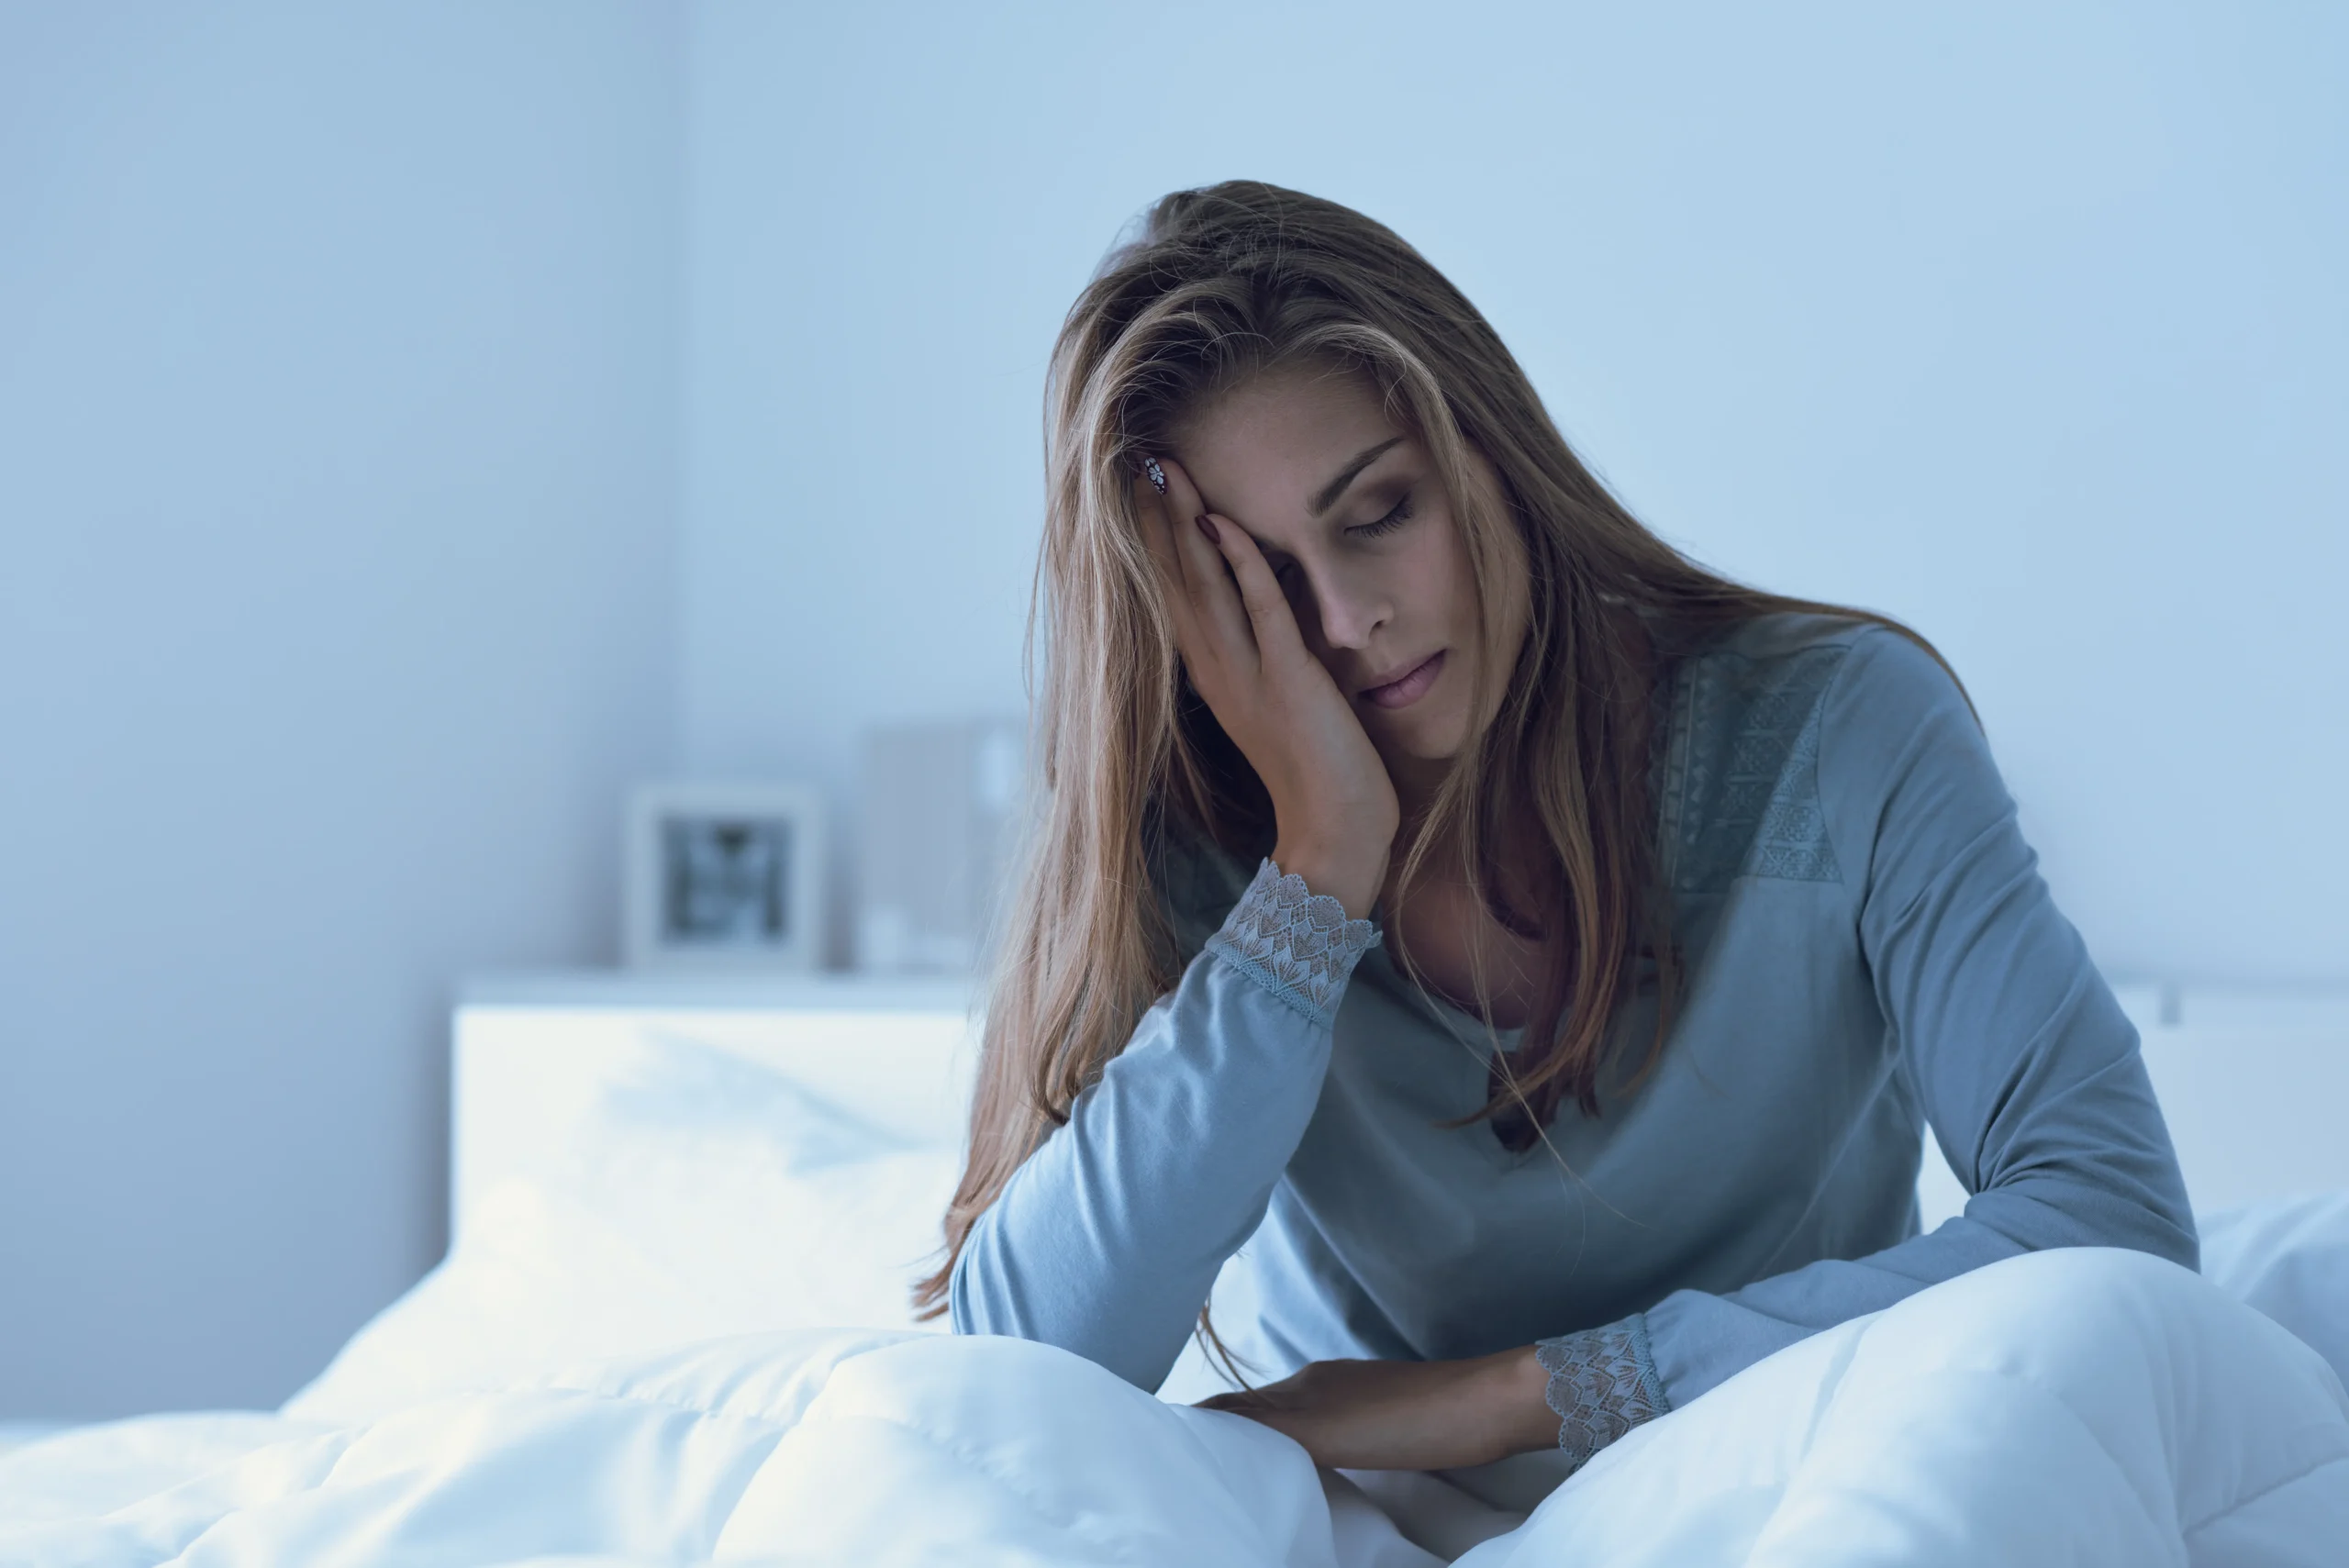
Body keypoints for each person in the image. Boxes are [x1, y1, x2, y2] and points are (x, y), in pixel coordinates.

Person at [918, 180, 2196, 1490]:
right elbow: (1019, 1371)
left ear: (1490, 452)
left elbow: (2118, 1231)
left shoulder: (1837, 728)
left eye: (1381, 514)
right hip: (1370, 1527)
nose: (1348, 619)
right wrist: (1314, 880)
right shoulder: (1208, 850)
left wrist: (1531, 1394)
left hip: (1795, 1486)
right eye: (1261, 589)